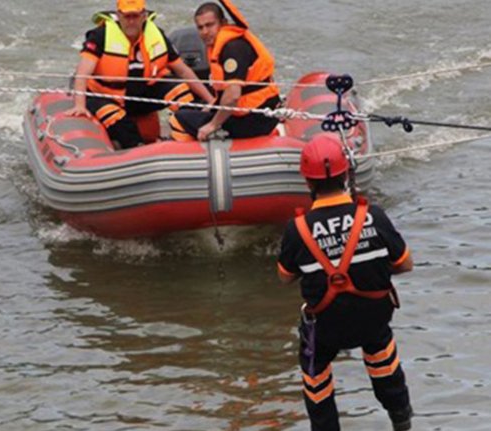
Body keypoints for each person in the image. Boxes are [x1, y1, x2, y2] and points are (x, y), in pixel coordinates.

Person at [276, 134, 414, 431]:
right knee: (382, 353)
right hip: (373, 317)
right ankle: (401, 419)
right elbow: (405, 264)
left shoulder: (296, 229)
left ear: (308, 183)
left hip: (325, 326)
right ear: (346, 174)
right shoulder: (373, 215)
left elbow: (285, 277)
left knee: (315, 372)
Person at [66, 0, 214, 149]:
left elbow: (183, 70)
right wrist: (80, 105)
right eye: (127, 16)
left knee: (181, 90)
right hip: (106, 96)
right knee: (111, 114)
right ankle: (138, 148)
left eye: (135, 16)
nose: (131, 21)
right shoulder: (100, 36)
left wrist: (210, 100)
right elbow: (82, 73)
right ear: (119, 15)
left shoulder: (156, 35)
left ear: (143, 16)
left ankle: (189, 134)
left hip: (141, 93)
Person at [169, 0, 281, 142]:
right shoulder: (225, 44)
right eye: (200, 27)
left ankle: (193, 159)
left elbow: (233, 95)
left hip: (252, 120)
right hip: (259, 114)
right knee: (198, 112)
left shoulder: (232, 49)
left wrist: (213, 125)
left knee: (178, 118)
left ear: (223, 23)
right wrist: (213, 106)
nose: (205, 32)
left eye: (209, 25)